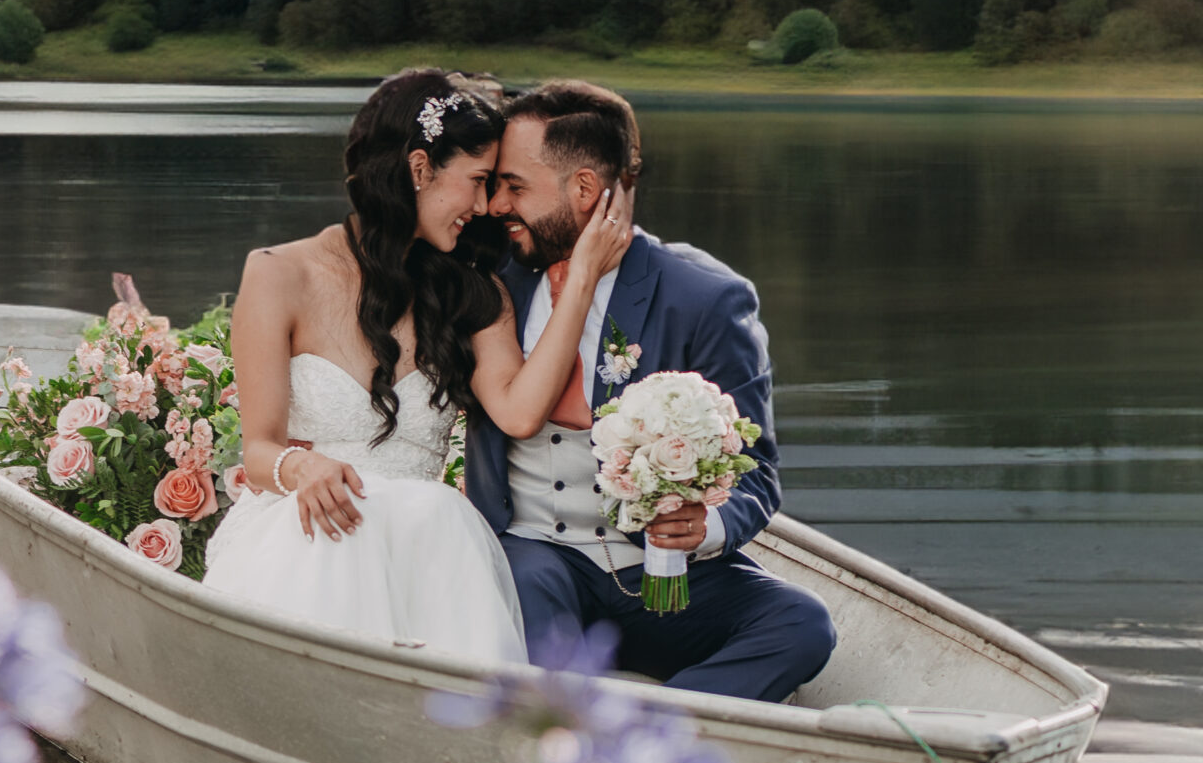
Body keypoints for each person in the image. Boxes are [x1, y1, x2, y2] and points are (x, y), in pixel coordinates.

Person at [203, 66, 633, 660]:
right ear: (419, 168)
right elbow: (258, 451)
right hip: (310, 525)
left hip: (430, 549)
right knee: (339, 544)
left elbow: (520, 411)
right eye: (478, 181)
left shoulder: (469, 293)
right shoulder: (279, 274)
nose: (485, 207)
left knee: (434, 511)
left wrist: (582, 275)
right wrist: (302, 470)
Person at [464, 79, 837, 702]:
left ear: (583, 190)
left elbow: (758, 476)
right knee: (529, 592)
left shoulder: (706, 298)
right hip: (538, 556)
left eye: (515, 186)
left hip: (664, 579)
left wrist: (707, 526)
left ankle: (649, 736)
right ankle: (584, 727)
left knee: (802, 623)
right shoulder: (492, 280)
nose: (497, 204)